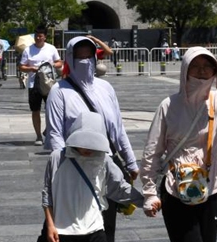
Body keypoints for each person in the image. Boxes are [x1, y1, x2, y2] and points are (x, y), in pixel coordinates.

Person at [140, 46, 217, 242]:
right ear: (185, 70)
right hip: (176, 187)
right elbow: (152, 150)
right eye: (195, 66)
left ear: (215, 71)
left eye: (207, 66)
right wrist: (149, 192)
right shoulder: (168, 105)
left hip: (210, 186)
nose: (201, 71)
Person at [45, 37, 139, 242]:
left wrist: (130, 161)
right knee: (73, 226)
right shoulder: (59, 91)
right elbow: (55, 134)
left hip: (105, 165)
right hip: (73, 166)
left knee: (105, 225)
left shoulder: (106, 88)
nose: (85, 61)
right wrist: (65, 169)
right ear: (70, 58)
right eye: (80, 56)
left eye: (89, 55)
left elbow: (118, 128)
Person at [42, 112, 144, 242]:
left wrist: (145, 201)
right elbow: (47, 194)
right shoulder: (57, 158)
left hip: (94, 230)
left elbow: (119, 188)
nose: (87, 147)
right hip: (62, 231)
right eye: (82, 141)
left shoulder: (104, 160)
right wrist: (50, 226)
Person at [19, 26, 62, 145]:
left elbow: (59, 62)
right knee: (35, 110)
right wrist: (31, 68)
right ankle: (38, 136)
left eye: (40, 36)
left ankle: (49, 131)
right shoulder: (28, 50)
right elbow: (21, 66)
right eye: (36, 36)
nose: (38, 38)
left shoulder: (51, 48)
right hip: (34, 84)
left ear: (45, 37)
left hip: (48, 83)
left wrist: (51, 64)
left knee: (51, 109)